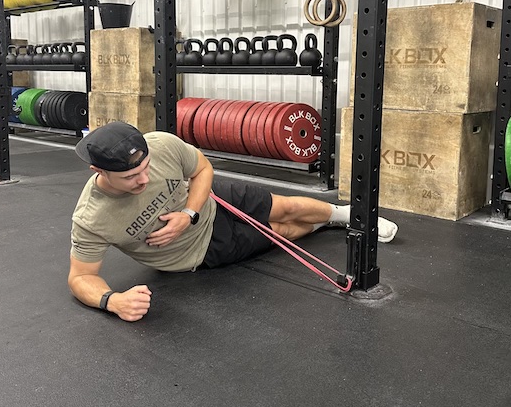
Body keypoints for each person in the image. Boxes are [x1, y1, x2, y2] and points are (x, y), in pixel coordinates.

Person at [68, 122, 398, 321]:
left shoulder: (162, 145)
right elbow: (81, 276)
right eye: (130, 177)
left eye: (146, 169)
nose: (143, 180)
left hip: (208, 199)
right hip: (203, 250)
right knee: (281, 231)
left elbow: (202, 171)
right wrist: (113, 301)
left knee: (282, 206)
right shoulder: (92, 218)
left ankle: (344, 215)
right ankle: (324, 225)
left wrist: (188, 214)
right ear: (99, 171)